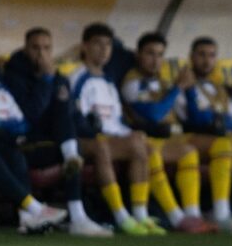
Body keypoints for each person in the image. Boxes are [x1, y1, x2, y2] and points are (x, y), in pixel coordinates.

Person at [3, 26, 112, 237]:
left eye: (46, 48)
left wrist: (91, 127)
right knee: (72, 150)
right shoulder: (14, 75)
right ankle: (77, 216)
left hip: (54, 139)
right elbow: (30, 114)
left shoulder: (58, 76)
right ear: (25, 49)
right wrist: (45, 80)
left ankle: (81, 216)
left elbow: (71, 113)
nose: (41, 54)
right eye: (35, 48)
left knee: (70, 128)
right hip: (27, 141)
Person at [0, 36, 68, 234]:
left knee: (16, 155)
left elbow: (21, 121)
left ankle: (27, 217)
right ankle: (35, 209)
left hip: (7, 141)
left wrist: (1, 123)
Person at [68, 22, 166, 235]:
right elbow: (75, 119)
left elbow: (115, 121)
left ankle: (140, 214)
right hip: (85, 140)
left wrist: (131, 133)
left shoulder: (109, 81)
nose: (104, 50)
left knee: (142, 145)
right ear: (84, 46)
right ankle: (121, 216)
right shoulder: (77, 77)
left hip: (110, 138)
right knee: (102, 146)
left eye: (108, 45)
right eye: (97, 44)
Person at [119, 32, 219, 233]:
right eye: (150, 54)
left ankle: (193, 214)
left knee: (189, 151)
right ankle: (176, 217)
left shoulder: (165, 83)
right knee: (152, 153)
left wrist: (189, 90)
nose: (156, 60)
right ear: (138, 55)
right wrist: (178, 87)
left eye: (160, 55)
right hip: (144, 138)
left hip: (169, 138)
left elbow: (194, 117)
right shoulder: (132, 82)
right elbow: (154, 115)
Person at [173, 36, 232, 231]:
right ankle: (221, 213)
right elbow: (193, 120)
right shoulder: (183, 85)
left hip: (218, 139)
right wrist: (216, 120)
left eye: (211, 55)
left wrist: (219, 121)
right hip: (190, 138)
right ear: (191, 57)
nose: (206, 60)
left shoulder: (218, 88)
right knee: (224, 145)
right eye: (201, 55)